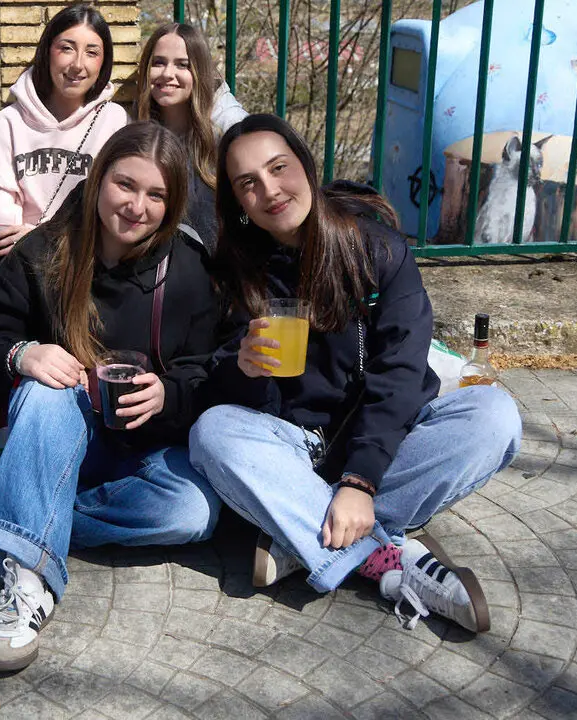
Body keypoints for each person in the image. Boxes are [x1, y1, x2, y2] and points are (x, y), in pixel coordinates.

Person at [189, 114, 522, 634]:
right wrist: (242, 368)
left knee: (494, 413)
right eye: (247, 183)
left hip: (377, 438)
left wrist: (360, 481)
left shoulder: (377, 250)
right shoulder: (233, 270)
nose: (269, 190)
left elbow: (401, 372)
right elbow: (213, 386)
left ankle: (304, 532)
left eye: (279, 168)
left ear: (305, 165)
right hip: (294, 447)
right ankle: (385, 558)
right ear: (237, 203)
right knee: (212, 433)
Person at [0, 122, 223, 672]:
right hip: (60, 435)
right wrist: (23, 354)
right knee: (47, 391)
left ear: (173, 203)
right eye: (125, 184)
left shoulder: (189, 267)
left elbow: (207, 370)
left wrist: (168, 394)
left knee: (194, 512)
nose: (136, 206)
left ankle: (18, 516)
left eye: (156, 195)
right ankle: (27, 581)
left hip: (144, 449)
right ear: (99, 177)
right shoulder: (43, 252)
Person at [0, 3, 128, 303]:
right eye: (67, 48)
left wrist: (39, 238)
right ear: (47, 51)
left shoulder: (114, 123)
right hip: (18, 283)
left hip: (87, 284)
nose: (78, 64)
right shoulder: (9, 123)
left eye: (92, 52)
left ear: (104, 62)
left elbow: (116, 212)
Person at [134, 21, 246, 254]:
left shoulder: (227, 128)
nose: (167, 74)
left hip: (220, 262)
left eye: (182, 65)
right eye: (158, 62)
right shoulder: (137, 125)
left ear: (199, 71)